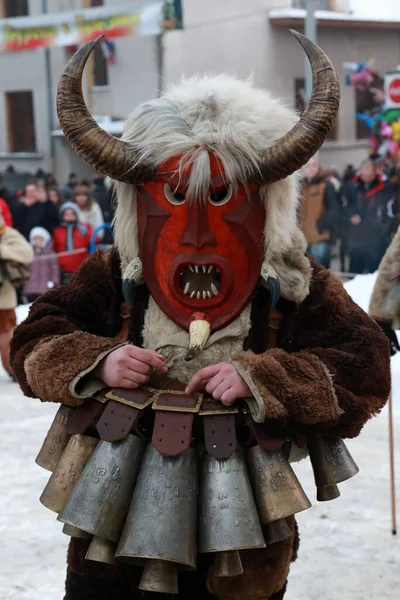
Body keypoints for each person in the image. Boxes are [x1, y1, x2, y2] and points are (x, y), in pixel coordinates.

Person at [10, 34, 390, 600]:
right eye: (171, 198)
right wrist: (99, 360)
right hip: (110, 541)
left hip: (245, 553)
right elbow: (31, 340)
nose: (194, 232)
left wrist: (263, 377)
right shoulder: (116, 272)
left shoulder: (292, 283)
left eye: (220, 198)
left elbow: (365, 366)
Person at [344, 158, 394, 274]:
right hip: (357, 234)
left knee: (374, 270)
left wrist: (383, 229)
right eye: (364, 171)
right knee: (355, 269)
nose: (366, 174)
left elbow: (388, 210)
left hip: (376, 235)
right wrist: (351, 215)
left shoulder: (384, 187)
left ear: (374, 171)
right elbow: (346, 205)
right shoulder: (352, 187)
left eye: (369, 171)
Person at [0, 205, 33, 379]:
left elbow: (27, 253)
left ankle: (13, 369)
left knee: (7, 336)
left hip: (3, 298)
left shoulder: (7, 235)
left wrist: (3, 251)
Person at [299, 155, 339, 268]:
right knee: (307, 275)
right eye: (307, 166)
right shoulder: (300, 187)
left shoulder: (326, 185)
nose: (311, 168)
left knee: (321, 273)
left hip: (320, 238)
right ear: (303, 169)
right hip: (303, 240)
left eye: (314, 165)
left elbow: (334, 209)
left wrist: (320, 225)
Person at [53, 202, 93, 285]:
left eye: (72, 214)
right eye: (66, 214)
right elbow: (55, 248)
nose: (69, 217)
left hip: (82, 268)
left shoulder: (84, 229)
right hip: (64, 271)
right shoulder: (57, 231)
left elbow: (94, 241)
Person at [25, 226, 60, 303]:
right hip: (32, 286)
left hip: (45, 286)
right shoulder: (30, 254)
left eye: (40, 239)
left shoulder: (50, 254)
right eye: (36, 239)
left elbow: (55, 270)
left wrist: (54, 282)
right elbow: (26, 269)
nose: (38, 241)